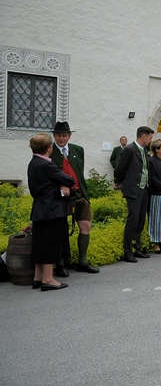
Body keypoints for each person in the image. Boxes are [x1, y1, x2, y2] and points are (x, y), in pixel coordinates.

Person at [50, 121, 100, 275]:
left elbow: (79, 170)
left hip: (78, 194)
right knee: (60, 230)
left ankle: (82, 262)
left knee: (85, 226)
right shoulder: (49, 151)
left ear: (69, 136)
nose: (61, 138)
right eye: (58, 135)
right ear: (54, 136)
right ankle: (59, 263)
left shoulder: (78, 150)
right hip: (60, 197)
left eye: (64, 135)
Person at [28, 133, 75, 291]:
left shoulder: (33, 162)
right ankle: (48, 279)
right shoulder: (47, 164)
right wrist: (62, 184)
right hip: (51, 210)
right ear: (49, 148)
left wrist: (58, 184)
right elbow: (70, 180)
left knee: (40, 244)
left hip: (40, 208)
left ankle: (38, 277)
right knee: (50, 244)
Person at [115, 126, 155, 263]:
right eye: (150, 138)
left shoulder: (144, 150)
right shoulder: (129, 149)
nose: (151, 140)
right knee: (133, 220)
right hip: (133, 189)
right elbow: (120, 168)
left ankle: (137, 247)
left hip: (144, 189)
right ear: (144, 136)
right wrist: (120, 183)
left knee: (141, 219)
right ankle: (127, 251)